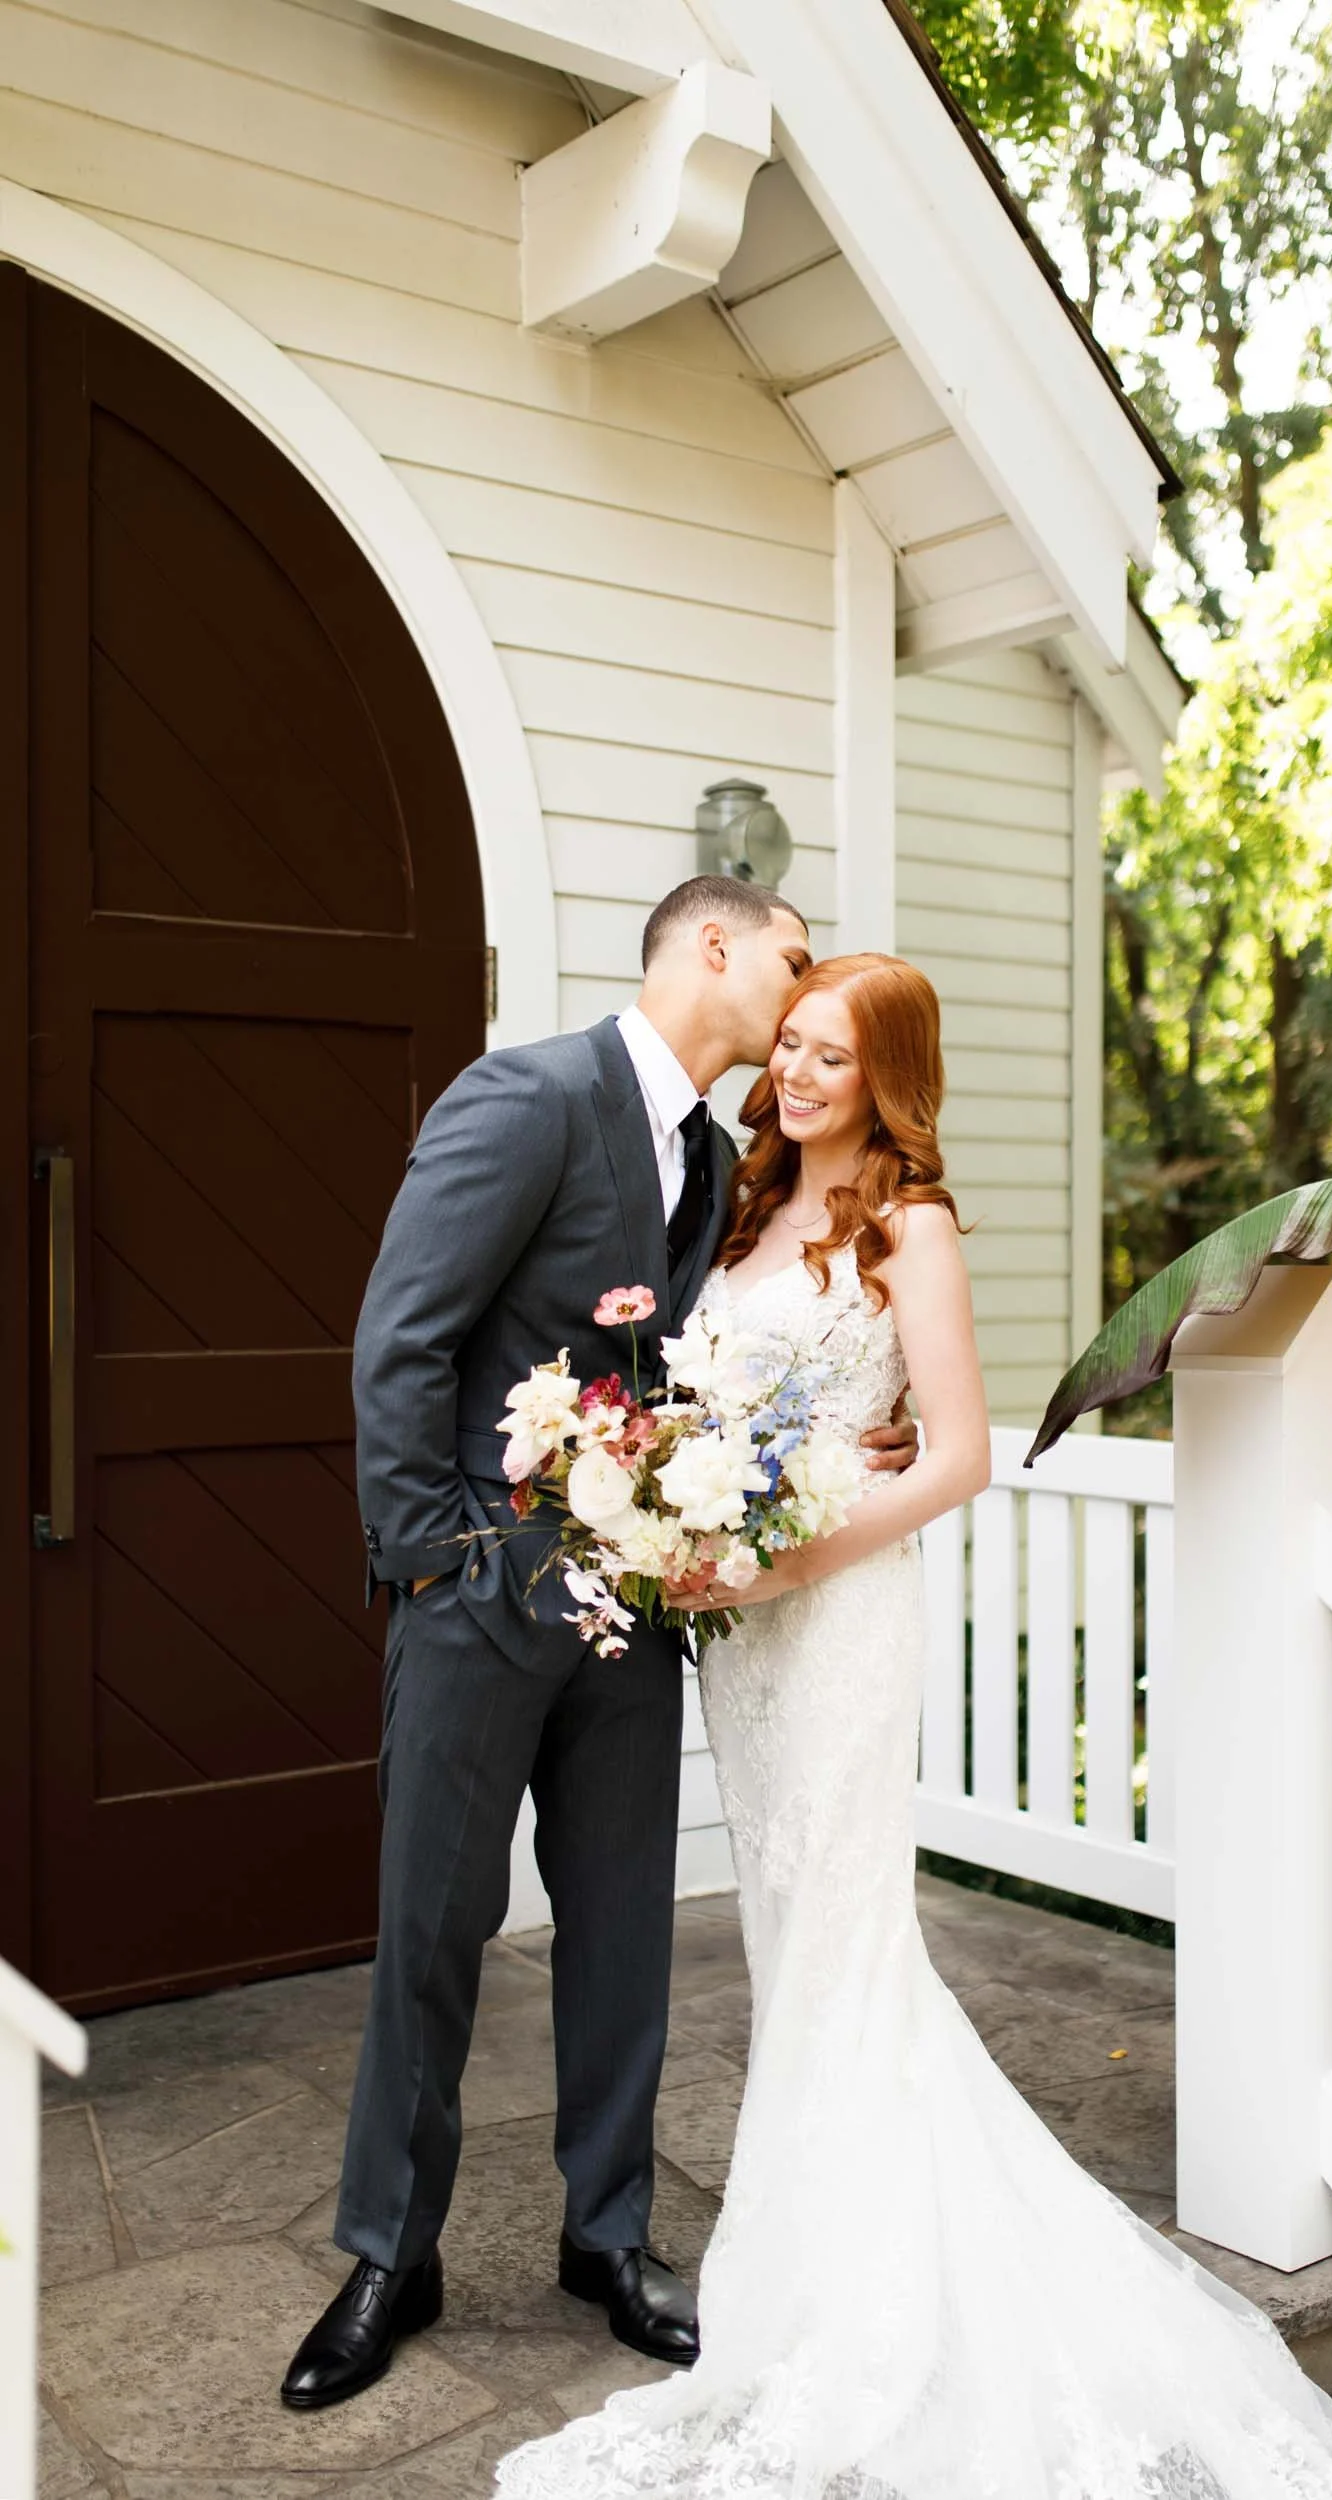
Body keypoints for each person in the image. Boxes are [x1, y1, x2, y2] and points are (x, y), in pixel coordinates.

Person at [494, 954, 1332, 2500]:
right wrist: (681, 1512)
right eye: (793, 1048)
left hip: (837, 1623)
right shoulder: (744, 1212)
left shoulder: (913, 1227)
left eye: (834, 1057)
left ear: (890, 1077)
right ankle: (828, 2258)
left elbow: (957, 1457)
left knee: (841, 1952)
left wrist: (791, 1551)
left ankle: (836, 2304)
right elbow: (719, 1412)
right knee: (794, 1943)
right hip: (744, 1638)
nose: (801, 1075)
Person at [278, 881, 919, 2412]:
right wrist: (439, 1563)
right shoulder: (527, 1098)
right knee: (433, 1925)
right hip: (482, 1607)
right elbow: (403, 1337)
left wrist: (841, 1439)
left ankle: (608, 2237)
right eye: (789, 953)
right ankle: (390, 2254)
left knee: (622, 1926)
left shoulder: (717, 1160)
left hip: (641, 1612)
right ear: (715, 946)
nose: (802, 980)